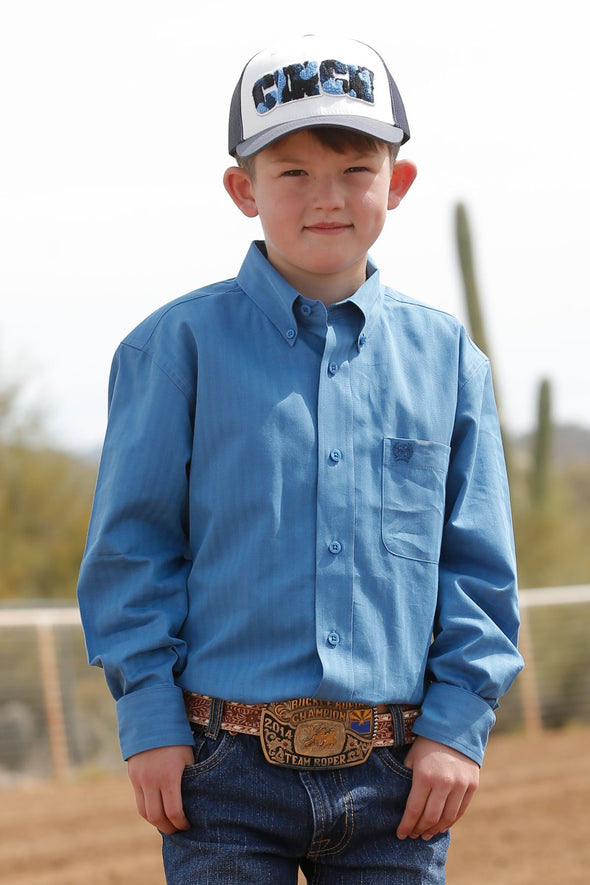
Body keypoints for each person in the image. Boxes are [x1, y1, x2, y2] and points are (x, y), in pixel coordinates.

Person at [77, 34, 523, 884]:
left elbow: (478, 564)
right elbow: (132, 551)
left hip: (399, 781)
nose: (328, 197)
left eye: (356, 169)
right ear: (243, 189)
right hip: (221, 774)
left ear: (398, 183)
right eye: (291, 173)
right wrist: (150, 720)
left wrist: (459, 721)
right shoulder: (175, 349)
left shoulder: (449, 359)